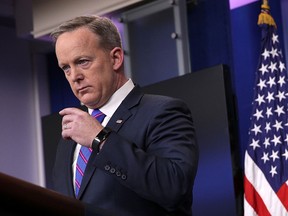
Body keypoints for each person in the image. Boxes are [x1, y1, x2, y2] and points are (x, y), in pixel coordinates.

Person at [50, 15, 198, 216]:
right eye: (66, 68)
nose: (74, 76)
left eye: (83, 62)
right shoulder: (70, 137)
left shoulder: (163, 111)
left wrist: (100, 138)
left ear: (116, 58)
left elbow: (174, 188)